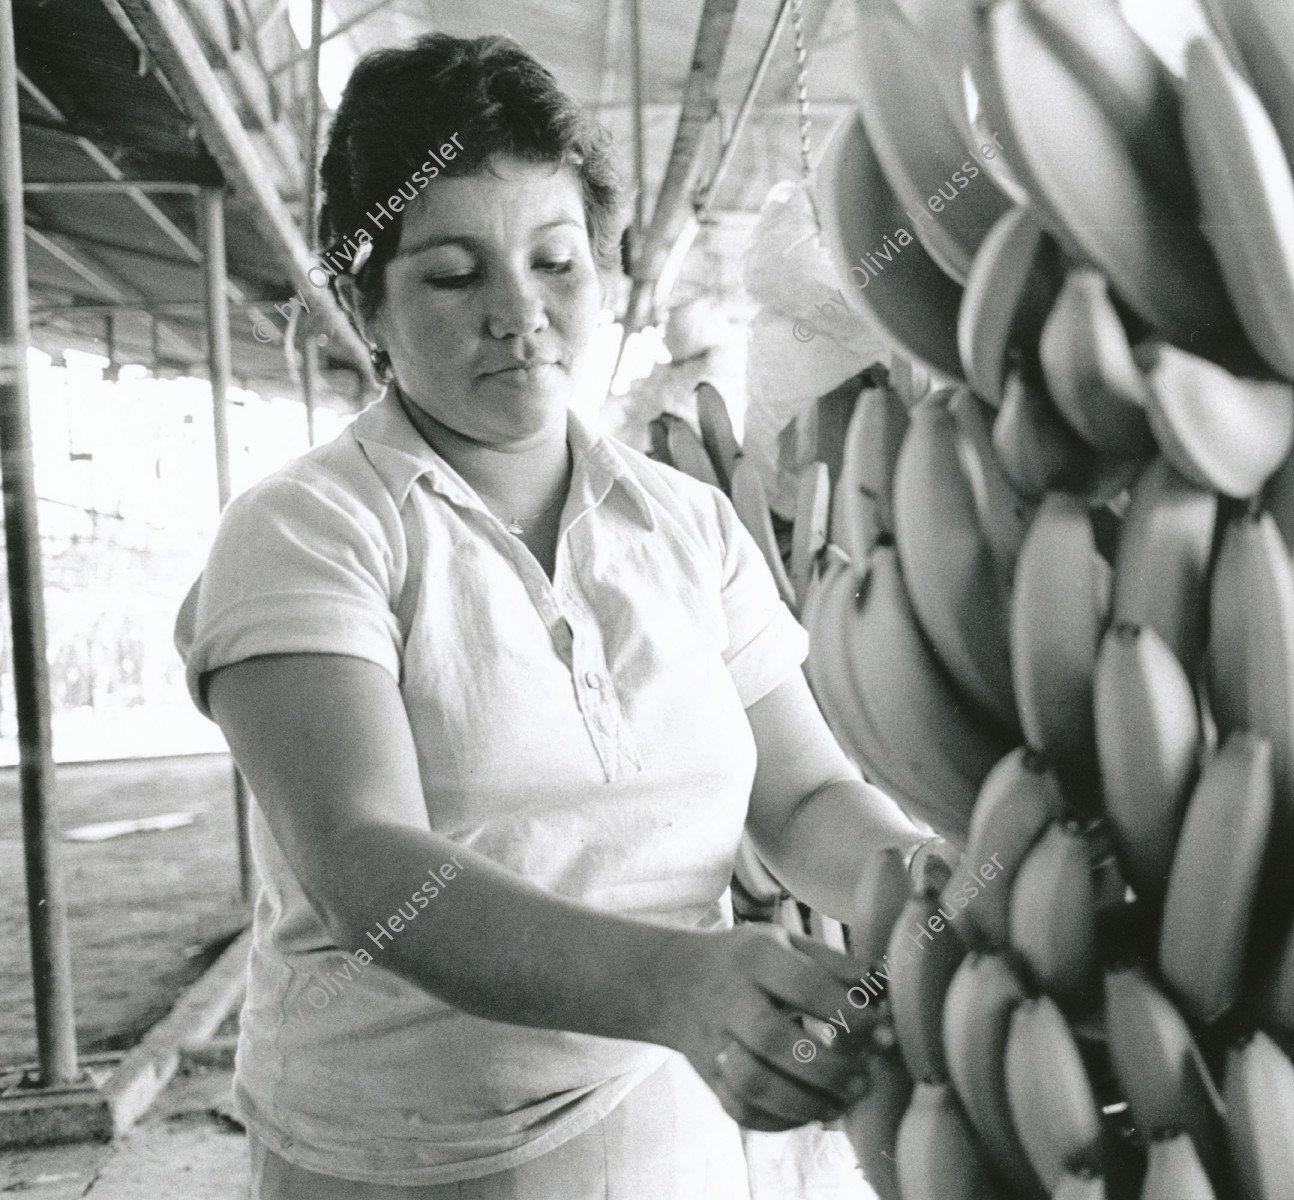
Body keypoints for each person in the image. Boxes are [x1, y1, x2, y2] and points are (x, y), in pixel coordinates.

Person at [174, 33, 931, 1198]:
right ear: (362, 297)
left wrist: (934, 888)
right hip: (405, 1161)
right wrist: (678, 985)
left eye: (556, 261)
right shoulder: (308, 532)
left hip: (671, 1126)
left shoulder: (689, 525)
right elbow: (368, 867)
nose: (520, 314)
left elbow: (803, 797)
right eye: (454, 273)